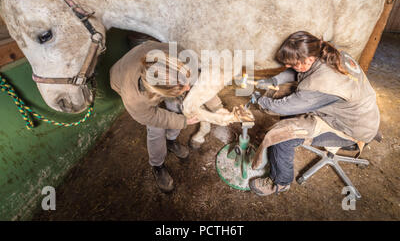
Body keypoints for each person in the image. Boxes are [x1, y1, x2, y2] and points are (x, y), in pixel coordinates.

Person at [249, 31, 380, 196]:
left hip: (350, 129)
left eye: (293, 64)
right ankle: (278, 156)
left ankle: (280, 182)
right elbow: (300, 72)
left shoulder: (323, 83)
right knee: (286, 99)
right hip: (359, 115)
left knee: (281, 137)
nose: (289, 67)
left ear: (308, 59)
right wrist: (274, 80)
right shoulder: (325, 52)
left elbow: (286, 107)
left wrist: (261, 101)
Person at [110, 40, 223, 193]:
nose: (188, 88)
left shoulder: (177, 54)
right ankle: (157, 165)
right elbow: (150, 117)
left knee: (177, 107)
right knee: (156, 129)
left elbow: (196, 81)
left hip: (150, 68)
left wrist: (217, 107)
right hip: (122, 79)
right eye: (183, 87)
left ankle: (171, 141)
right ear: (161, 93)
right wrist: (184, 121)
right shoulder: (134, 97)